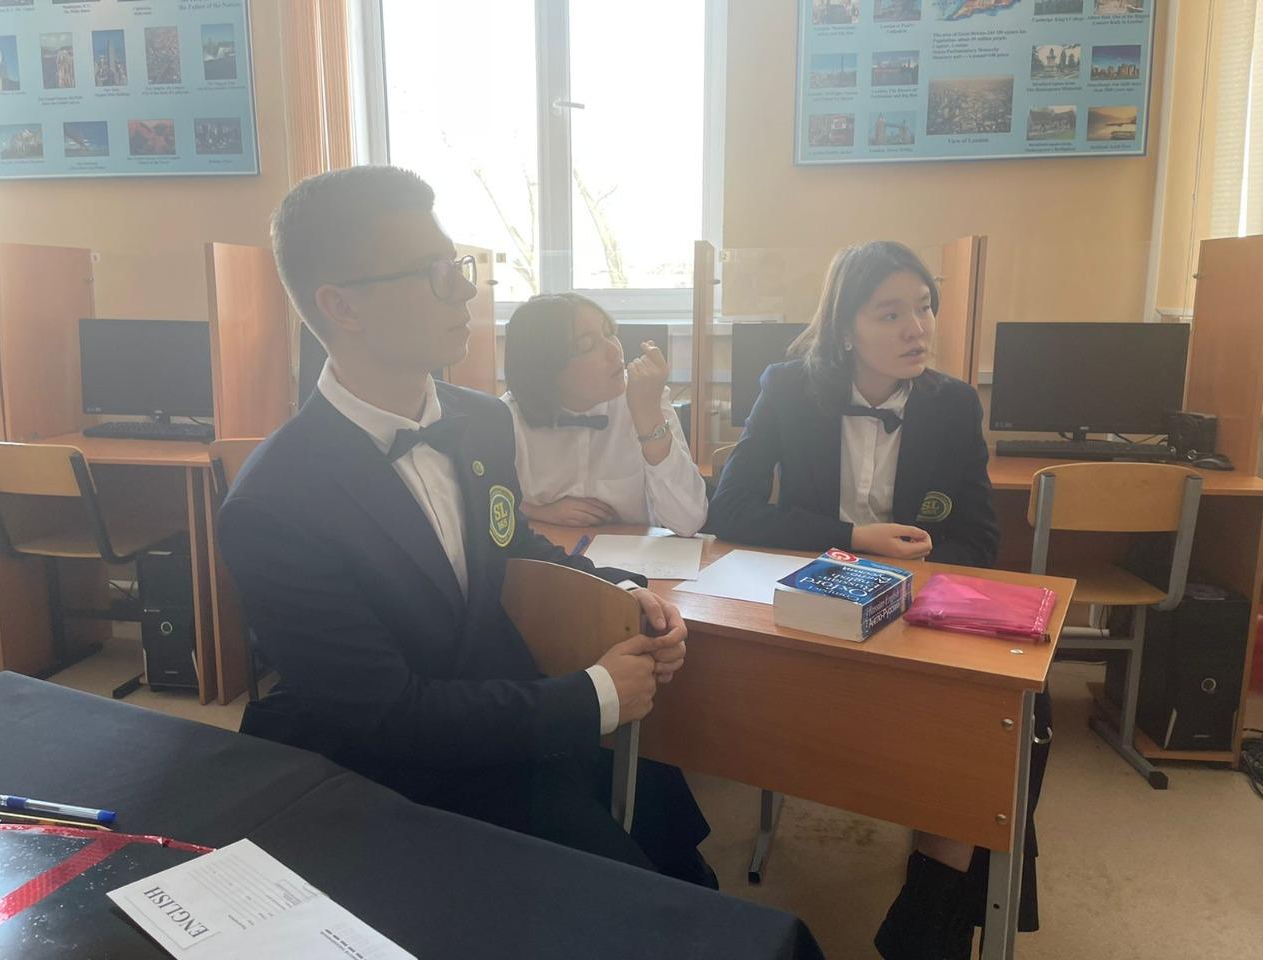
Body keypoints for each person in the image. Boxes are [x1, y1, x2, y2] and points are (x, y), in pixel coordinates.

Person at [218, 165, 715, 887]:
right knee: (643, 905)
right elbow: (384, 716)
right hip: (396, 770)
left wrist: (616, 589)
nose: (465, 292)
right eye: (436, 274)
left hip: (505, 705)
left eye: (460, 268)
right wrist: (594, 696)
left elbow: (508, 545)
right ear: (342, 308)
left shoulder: (479, 420)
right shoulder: (273, 504)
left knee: (683, 858)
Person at [708, 241, 1049, 959]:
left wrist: (905, 573)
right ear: (845, 327)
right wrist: (851, 539)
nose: (916, 329)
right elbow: (730, 509)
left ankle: (928, 916)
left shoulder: (953, 404)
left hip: (912, 609)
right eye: (890, 314)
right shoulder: (788, 386)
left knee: (1016, 714)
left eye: (924, 307)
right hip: (813, 608)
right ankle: (942, 918)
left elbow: (979, 539)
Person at [501, 293, 707, 537]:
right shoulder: (507, 416)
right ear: (544, 366)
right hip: (546, 552)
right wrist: (537, 512)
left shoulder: (645, 395)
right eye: (587, 345)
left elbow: (688, 521)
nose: (614, 350)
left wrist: (648, 417)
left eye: (609, 333)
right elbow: (481, 503)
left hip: (632, 556)